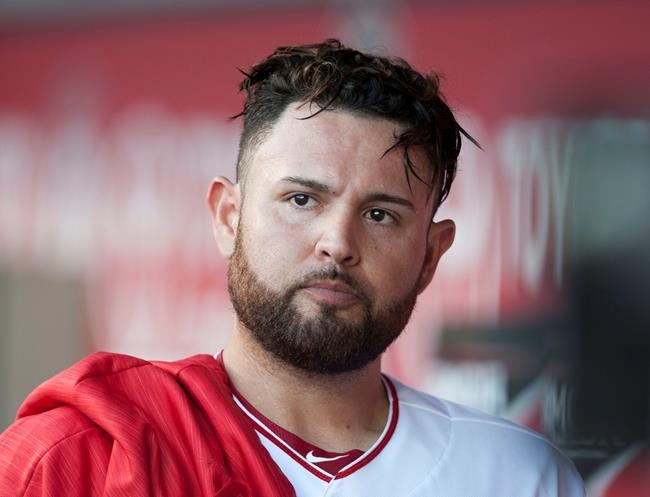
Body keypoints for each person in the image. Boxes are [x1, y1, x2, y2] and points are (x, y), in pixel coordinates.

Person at [0, 39, 584, 497]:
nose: (337, 243)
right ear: (228, 217)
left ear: (430, 255)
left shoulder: (517, 478)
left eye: (380, 215)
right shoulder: (76, 458)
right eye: (301, 200)